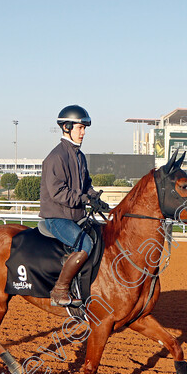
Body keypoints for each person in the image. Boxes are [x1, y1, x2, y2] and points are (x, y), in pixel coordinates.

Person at [40, 105, 108, 306]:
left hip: (75, 215)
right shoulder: (56, 157)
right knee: (85, 244)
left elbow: (85, 185)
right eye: (80, 128)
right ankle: (59, 291)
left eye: (84, 128)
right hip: (56, 217)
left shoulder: (80, 156)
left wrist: (95, 197)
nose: (83, 133)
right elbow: (58, 193)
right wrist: (83, 199)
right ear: (67, 127)